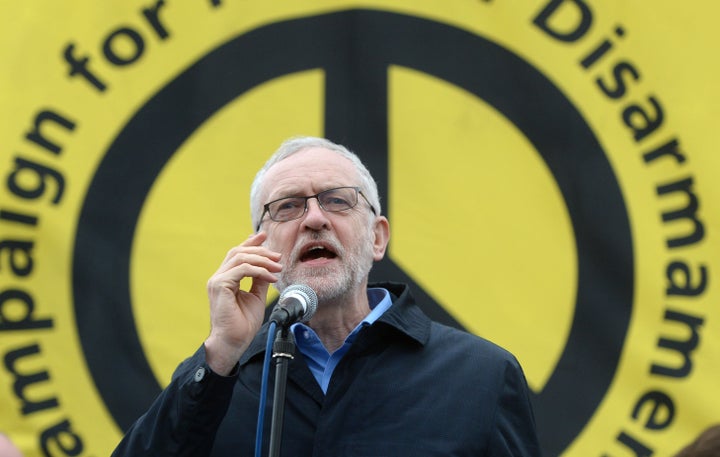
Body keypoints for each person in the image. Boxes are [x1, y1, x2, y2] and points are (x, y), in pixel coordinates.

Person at [111, 136, 541, 456]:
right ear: (261, 247)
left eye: (337, 201)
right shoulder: (221, 381)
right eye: (288, 207)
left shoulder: (480, 375)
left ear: (377, 237)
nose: (314, 218)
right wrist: (220, 352)